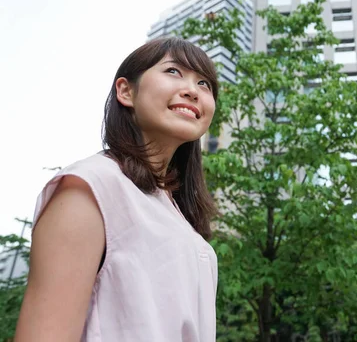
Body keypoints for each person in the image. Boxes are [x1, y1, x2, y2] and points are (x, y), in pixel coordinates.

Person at [15, 37, 220, 342]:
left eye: (205, 83)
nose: (193, 90)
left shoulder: (176, 213)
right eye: (174, 71)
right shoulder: (90, 187)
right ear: (126, 91)